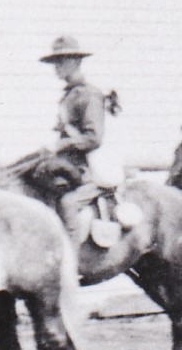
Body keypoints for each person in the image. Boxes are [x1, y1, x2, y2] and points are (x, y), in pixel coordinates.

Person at [25, 36, 128, 248]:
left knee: (67, 203)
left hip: (86, 172)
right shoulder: (70, 95)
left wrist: (61, 145)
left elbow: (93, 138)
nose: (56, 67)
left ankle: (68, 262)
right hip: (68, 168)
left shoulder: (89, 95)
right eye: (55, 62)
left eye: (61, 61)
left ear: (75, 61)